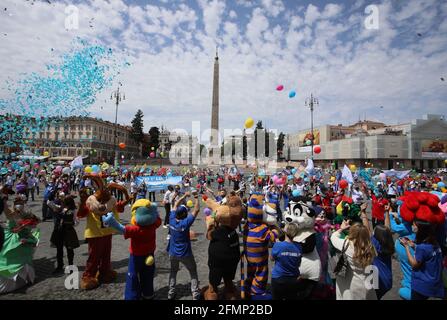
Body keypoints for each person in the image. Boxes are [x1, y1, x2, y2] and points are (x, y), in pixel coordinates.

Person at [330, 221, 377, 300]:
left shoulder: (347, 245)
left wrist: (341, 228)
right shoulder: (370, 247)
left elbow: (333, 237)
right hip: (366, 281)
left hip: (351, 282)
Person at [167, 191, 200, 300]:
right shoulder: (185, 223)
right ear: (185, 215)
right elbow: (196, 210)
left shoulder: (171, 219)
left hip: (172, 252)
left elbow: (175, 205)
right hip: (185, 253)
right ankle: (195, 293)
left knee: (173, 272)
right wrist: (196, 197)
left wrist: (184, 196)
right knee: (193, 271)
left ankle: (171, 293)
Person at [400, 219, 444, 300]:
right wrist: (414, 245)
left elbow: (414, 264)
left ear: (420, 230)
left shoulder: (422, 247)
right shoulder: (435, 243)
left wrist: (406, 247)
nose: (412, 226)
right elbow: (428, 254)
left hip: (422, 286)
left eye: (414, 225)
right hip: (434, 282)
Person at [360, 202, 394, 299]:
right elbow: (387, 229)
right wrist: (386, 212)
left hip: (376, 279)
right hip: (387, 279)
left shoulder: (375, 245)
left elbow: (366, 229)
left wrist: (363, 212)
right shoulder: (389, 242)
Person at [48, 195, 80, 274]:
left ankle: (71, 266)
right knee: (59, 249)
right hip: (60, 231)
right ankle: (60, 265)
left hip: (68, 230)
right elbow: (49, 203)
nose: (63, 202)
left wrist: (71, 223)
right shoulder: (61, 208)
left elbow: (76, 221)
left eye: (64, 201)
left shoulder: (73, 210)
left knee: (69, 249)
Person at [271, 223, 302, 300]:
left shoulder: (278, 245)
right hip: (293, 280)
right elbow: (298, 263)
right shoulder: (299, 247)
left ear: (285, 230)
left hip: (278, 278)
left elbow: (271, 259)